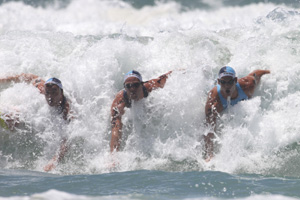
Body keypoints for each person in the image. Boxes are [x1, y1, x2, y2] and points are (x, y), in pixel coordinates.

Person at [0, 73, 72, 171]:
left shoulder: (66, 110)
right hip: (32, 110)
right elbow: (31, 77)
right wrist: (5, 79)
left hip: (40, 121)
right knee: (10, 115)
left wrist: (54, 161)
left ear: (61, 93)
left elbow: (67, 139)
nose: (50, 97)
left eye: (54, 93)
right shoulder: (42, 87)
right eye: (48, 93)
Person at [204, 66, 270, 161]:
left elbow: (256, 74)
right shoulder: (214, 102)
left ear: (235, 80)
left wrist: (268, 71)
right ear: (219, 82)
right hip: (218, 97)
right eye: (223, 82)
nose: (227, 86)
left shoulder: (247, 85)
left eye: (230, 81)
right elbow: (208, 129)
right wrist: (209, 154)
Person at [110, 70, 172, 152]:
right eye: (128, 86)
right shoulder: (120, 101)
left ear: (142, 84)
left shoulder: (151, 86)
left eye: (136, 85)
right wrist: (113, 155)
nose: (132, 88)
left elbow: (166, 77)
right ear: (125, 88)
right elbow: (116, 128)